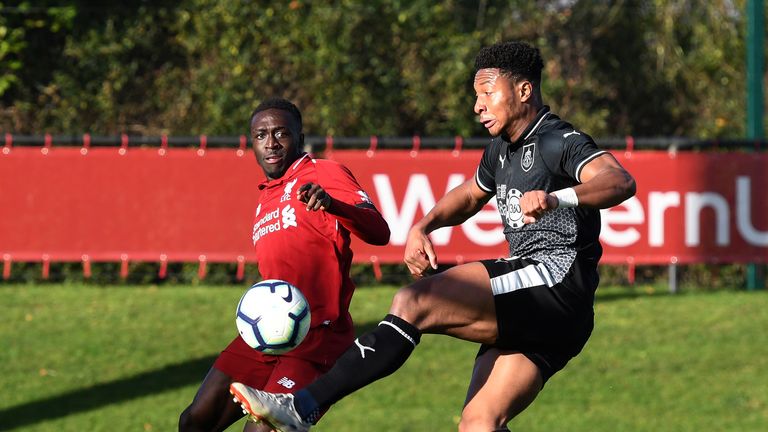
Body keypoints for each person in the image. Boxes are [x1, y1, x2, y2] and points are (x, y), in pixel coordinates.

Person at [229, 41, 636, 431]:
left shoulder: (556, 140)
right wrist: (424, 226)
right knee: (479, 424)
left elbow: (619, 181)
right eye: (476, 95)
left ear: (524, 90)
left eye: (488, 93)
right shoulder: (501, 150)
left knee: (414, 301)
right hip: (552, 318)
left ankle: (300, 406)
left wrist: (555, 198)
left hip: (554, 281)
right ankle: (301, 408)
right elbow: (470, 195)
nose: (477, 105)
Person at [178, 97, 390, 432]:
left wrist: (334, 205)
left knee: (263, 430)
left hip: (316, 338)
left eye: (281, 133)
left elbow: (379, 232)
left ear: (299, 136)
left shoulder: (323, 172)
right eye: (261, 135)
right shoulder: (265, 198)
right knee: (195, 421)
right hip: (262, 336)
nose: (271, 143)